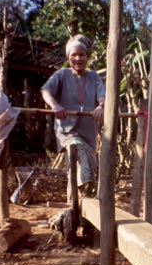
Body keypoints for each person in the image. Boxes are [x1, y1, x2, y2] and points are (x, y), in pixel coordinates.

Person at [41, 34, 105, 198]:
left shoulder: (93, 76)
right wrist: (55, 105)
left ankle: (76, 206)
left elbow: (102, 96)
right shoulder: (62, 74)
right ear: (68, 57)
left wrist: (101, 106)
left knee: (78, 169)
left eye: (81, 54)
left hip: (88, 134)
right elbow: (46, 90)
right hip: (67, 131)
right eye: (73, 55)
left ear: (87, 57)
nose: (78, 58)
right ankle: (78, 203)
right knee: (76, 150)